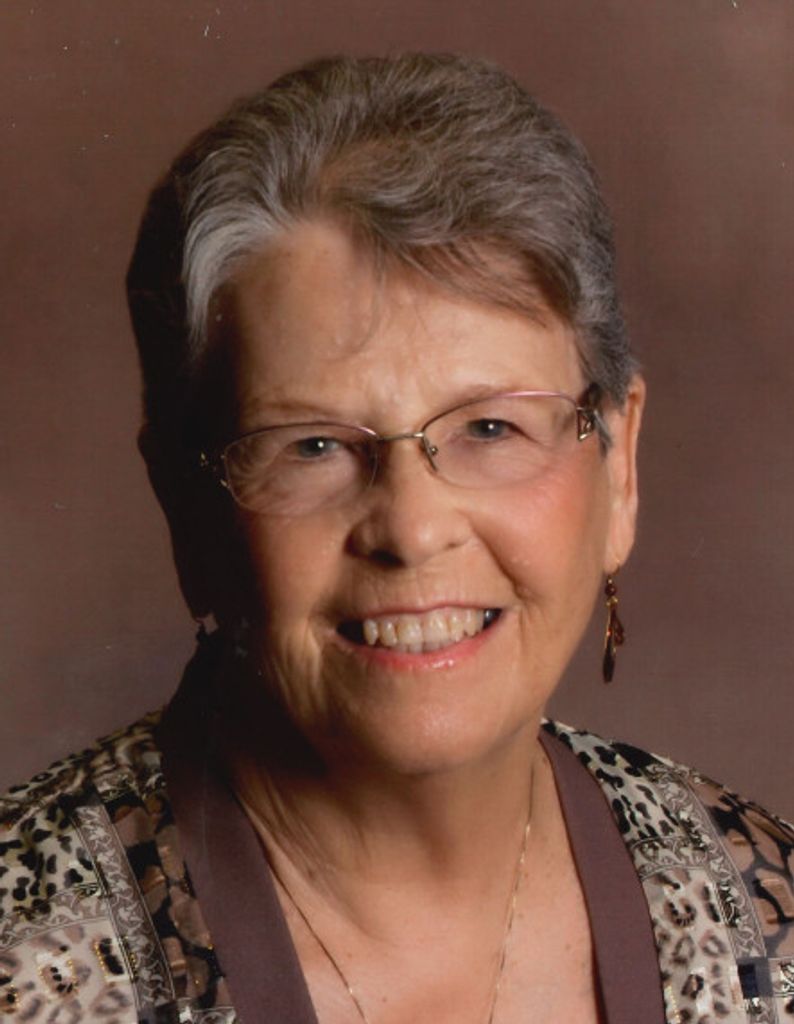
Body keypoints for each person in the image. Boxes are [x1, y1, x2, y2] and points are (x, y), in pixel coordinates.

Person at [1, 53, 792, 1024]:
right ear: (188, 505)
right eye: (314, 445)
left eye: (490, 427)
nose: (412, 529)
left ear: (617, 466)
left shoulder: (772, 925)